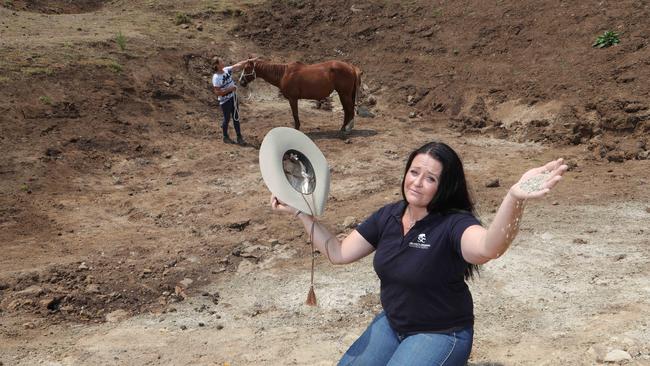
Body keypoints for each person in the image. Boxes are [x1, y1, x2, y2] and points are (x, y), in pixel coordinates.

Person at [270, 141, 568, 365]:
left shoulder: (454, 224)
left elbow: (490, 247)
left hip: (441, 333)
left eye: (430, 178)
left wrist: (514, 199)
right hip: (394, 324)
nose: (417, 182)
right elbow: (338, 252)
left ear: (443, 186)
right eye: (414, 172)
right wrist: (299, 212)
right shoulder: (389, 215)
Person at [212, 57, 249, 145]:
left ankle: (239, 137)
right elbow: (218, 93)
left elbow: (237, 65)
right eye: (221, 62)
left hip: (233, 97)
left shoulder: (226, 70)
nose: (223, 63)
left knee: (236, 117)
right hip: (225, 101)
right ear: (217, 65)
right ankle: (225, 136)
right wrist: (230, 89)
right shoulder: (216, 78)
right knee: (227, 118)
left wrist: (248, 61)